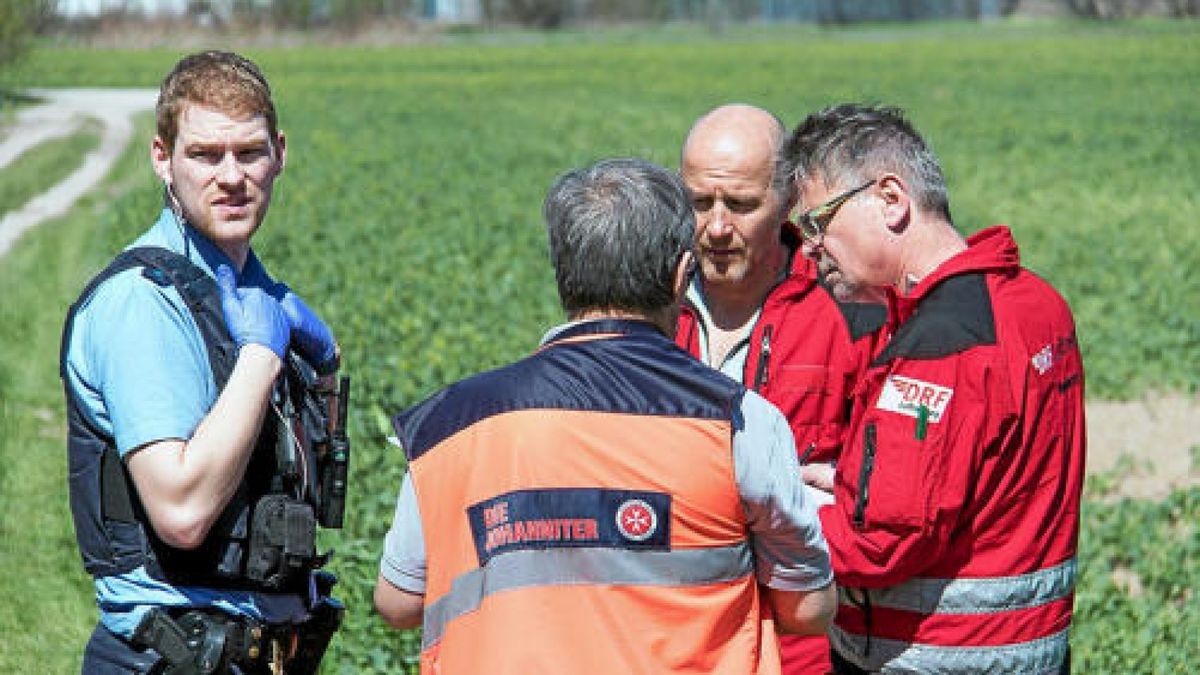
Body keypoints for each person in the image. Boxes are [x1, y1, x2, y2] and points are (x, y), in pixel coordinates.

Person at [374, 157, 837, 673]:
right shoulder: (742, 420)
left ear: (562, 275)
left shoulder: (451, 423)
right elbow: (809, 607)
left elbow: (398, 603)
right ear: (682, 275)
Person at [61, 50, 346, 673]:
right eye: (204, 155)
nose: (231, 176)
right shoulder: (142, 304)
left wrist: (320, 370)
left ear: (279, 153)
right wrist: (263, 356)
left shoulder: (250, 298)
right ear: (162, 157)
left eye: (248, 152)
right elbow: (183, 511)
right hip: (169, 658)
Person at [782, 103, 1086, 674]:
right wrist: (850, 479)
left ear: (891, 199)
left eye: (818, 222)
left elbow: (878, 545)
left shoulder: (941, 346)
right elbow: (975, 479)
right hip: (1031, 651)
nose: (810, 248)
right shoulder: (1034, 304)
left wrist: (769, 509)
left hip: (938, 657)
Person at [676, 104, 885, 674]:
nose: (716, 228)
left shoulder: (847, 310)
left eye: (741, 205)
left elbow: (885, 480)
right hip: (670, 639)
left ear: (788, 202)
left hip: (803, 647)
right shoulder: (647, 307)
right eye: (700, 203)